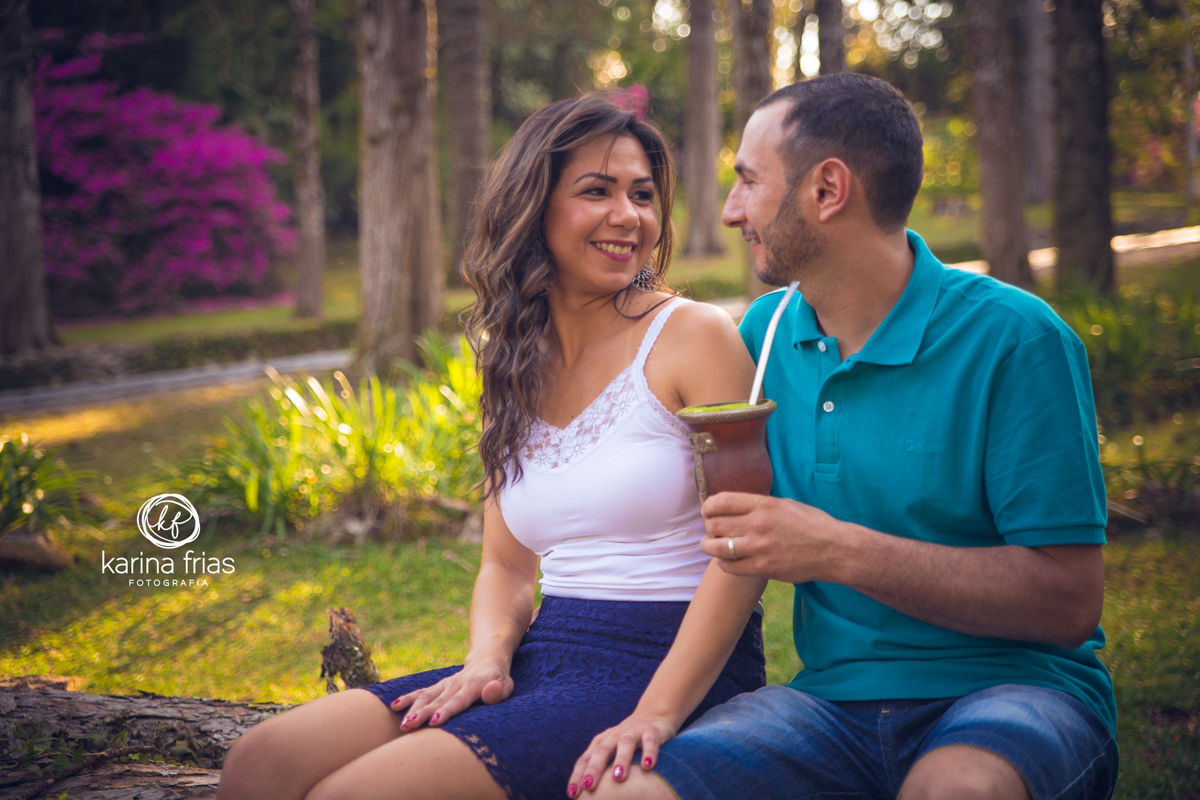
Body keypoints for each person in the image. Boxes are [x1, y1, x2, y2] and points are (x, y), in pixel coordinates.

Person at [575, 73, 1117, 800]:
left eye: (747, 181)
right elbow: (730, 549)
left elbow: (1067, 601)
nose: (732, 210)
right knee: (626, 793)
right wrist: (654, 711)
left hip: (1017, 690)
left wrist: (835, 549)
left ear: (827, 190)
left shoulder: (1016, 341)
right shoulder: (761, 339)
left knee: (954, 792)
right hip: (827, 705)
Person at [215, 95, 768, 800]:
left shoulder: (694, 335)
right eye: (596, 191)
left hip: (674, 663)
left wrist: (657, 710)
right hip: (546, 654)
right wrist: (485, 659)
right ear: (532, 207)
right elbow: (507, 565)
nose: (628, 216)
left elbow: (745, 553)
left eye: (643, 194)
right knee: (262, 761)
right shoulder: (510, 361)